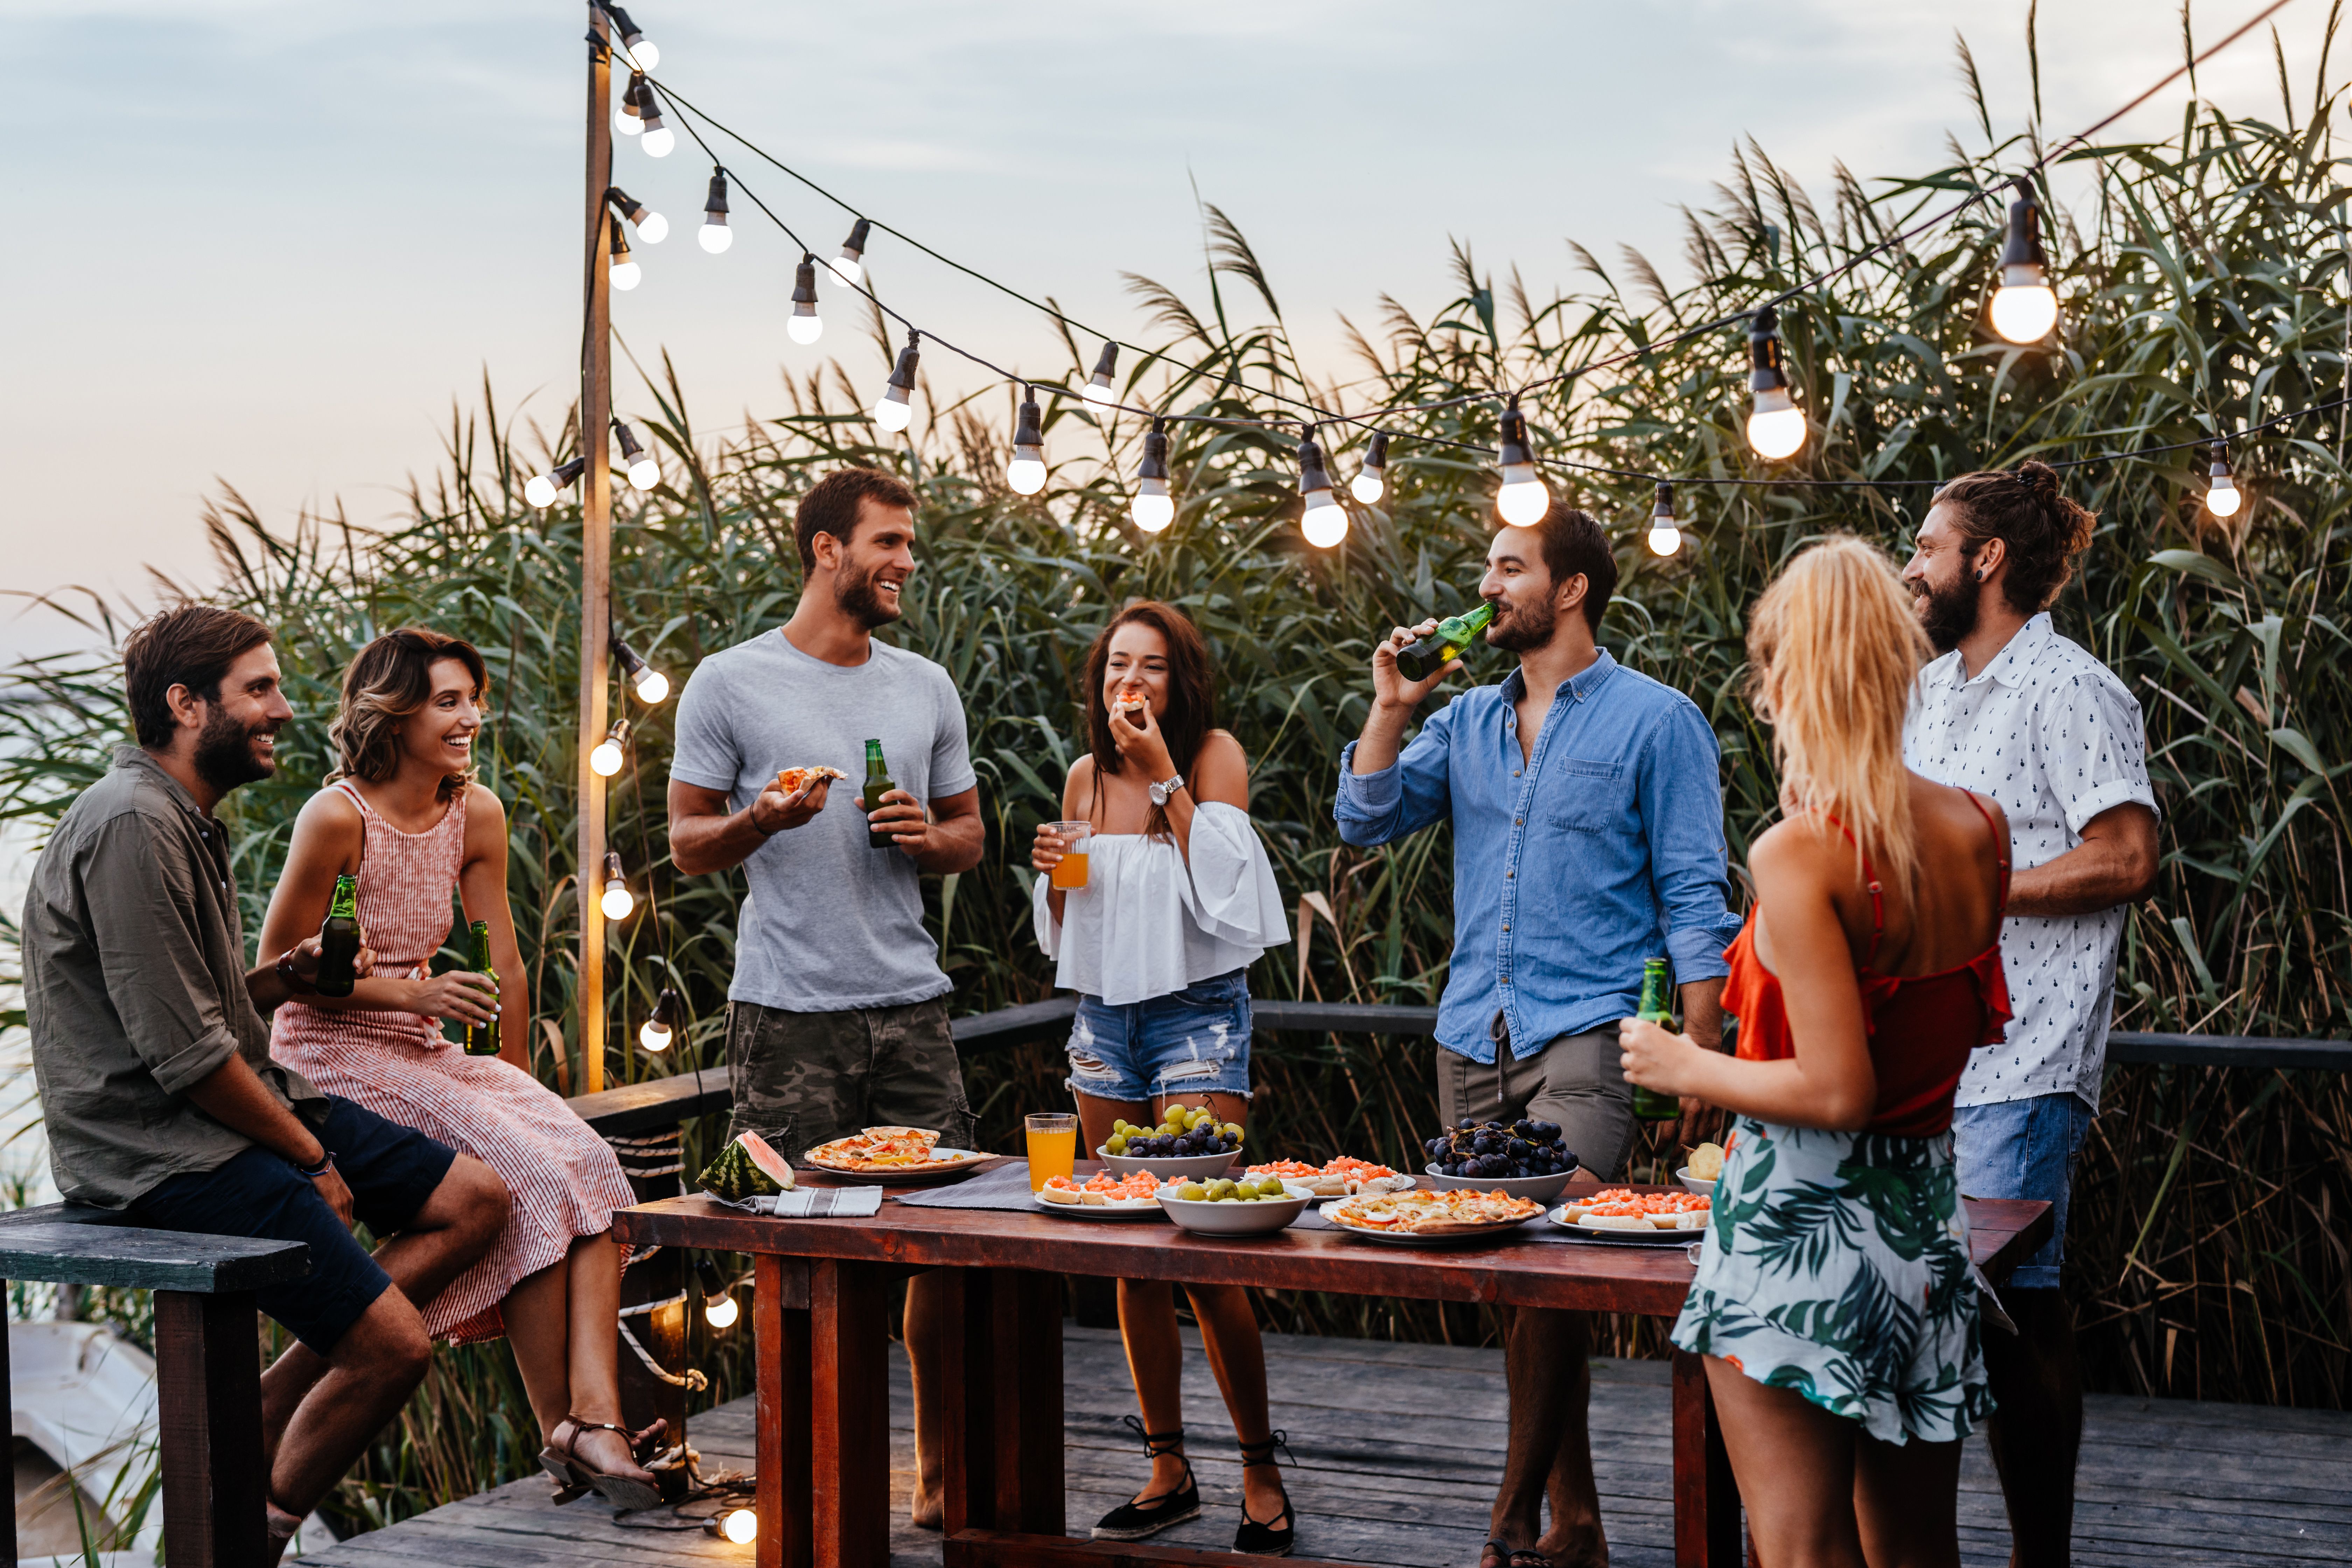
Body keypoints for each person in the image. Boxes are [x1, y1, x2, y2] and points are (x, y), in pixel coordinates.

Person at [21, 606, 510, 1565]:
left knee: (476, 1199)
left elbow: (190, 1014)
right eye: (260, 688)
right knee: (396, 1351)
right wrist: (311, 1154)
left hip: (240, 1103)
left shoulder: (181, 820)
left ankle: (282, 1392)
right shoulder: (132, 826)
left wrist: (275, 983)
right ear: (184, 704)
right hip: (164, 1150)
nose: (284, 708)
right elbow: (185, 1060)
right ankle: (259, 1536)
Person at [1334, 502, 1744, 1568]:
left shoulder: (1658, 721)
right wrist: (1390, 706)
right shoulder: (1464, 722)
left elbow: (1696, 896)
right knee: (1509, 1277)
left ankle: (1511, 1519)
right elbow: (1365, 818)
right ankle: (1582, 1522)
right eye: (1486, 567)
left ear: (1570, 589)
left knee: (1549, 1255)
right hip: (1473, 1034)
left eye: (1509, 568)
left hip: (1591, 1034)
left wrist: (1707, 1055)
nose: (1486, 587)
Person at [1622, 536, 2014, 1568]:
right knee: (1920, 1553)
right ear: (1900, 663)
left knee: (1799, 1552)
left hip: (1802, 1227)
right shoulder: (1980, 826)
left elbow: (1840, 1088)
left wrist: (1682, 1066)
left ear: (1787, 673)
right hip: (1926, 1228)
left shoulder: (1801, 853)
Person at [254, 626, 660, 1510]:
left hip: (426, 1049)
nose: (472, 716)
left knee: (589, 1164)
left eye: (474, 698)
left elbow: (504, 963)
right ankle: (570, 1428)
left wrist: (518, 1090)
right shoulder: (337, 817)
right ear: (392, 715)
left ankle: (596, 1419)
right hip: (331, 1053)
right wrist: (411, 995)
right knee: (526, 1175)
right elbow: (275, 976)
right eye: (449, 700)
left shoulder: (475, 812)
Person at [666, 465, 987, 1530]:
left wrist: (924, 838)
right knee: (796, 1253)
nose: (905, 563)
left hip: (911, 1009)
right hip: (787, 1015)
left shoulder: (924, 686)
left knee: (943, 1247)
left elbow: (970, 838)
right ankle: (811, 1484)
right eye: (888, 543)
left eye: (908, 546)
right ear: (825, 550)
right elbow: (683, 844)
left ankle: (942, 1477)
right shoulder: (729, 682)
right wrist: (761, 820)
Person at [1897, 460, 2157, 1568]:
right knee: (1937, 1315)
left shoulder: (2071, 688)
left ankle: (2038, 1559)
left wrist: (1980, 888)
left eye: (1926, 547)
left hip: (2026, 1057)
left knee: (2016, 1320)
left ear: (1986, 560)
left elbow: (2129, 856)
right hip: (1921, 1058)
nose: (1910, 569)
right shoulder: (1927, 691)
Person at [1029, 601, 1295, 1554]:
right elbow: (1071, 925)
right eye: (1113, 669)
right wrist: (1052, 870)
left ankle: (1261, 1469)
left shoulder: (1212, 755)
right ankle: (1168, 1466)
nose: (1127, 686)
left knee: (1206, 1247)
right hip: (1105, 1019)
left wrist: (1164, 778)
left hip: (1197, 1015)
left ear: (1178, 681)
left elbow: (1229, 889)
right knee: (1130, 1249)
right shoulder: (1080, 775)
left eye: (1148, 669)